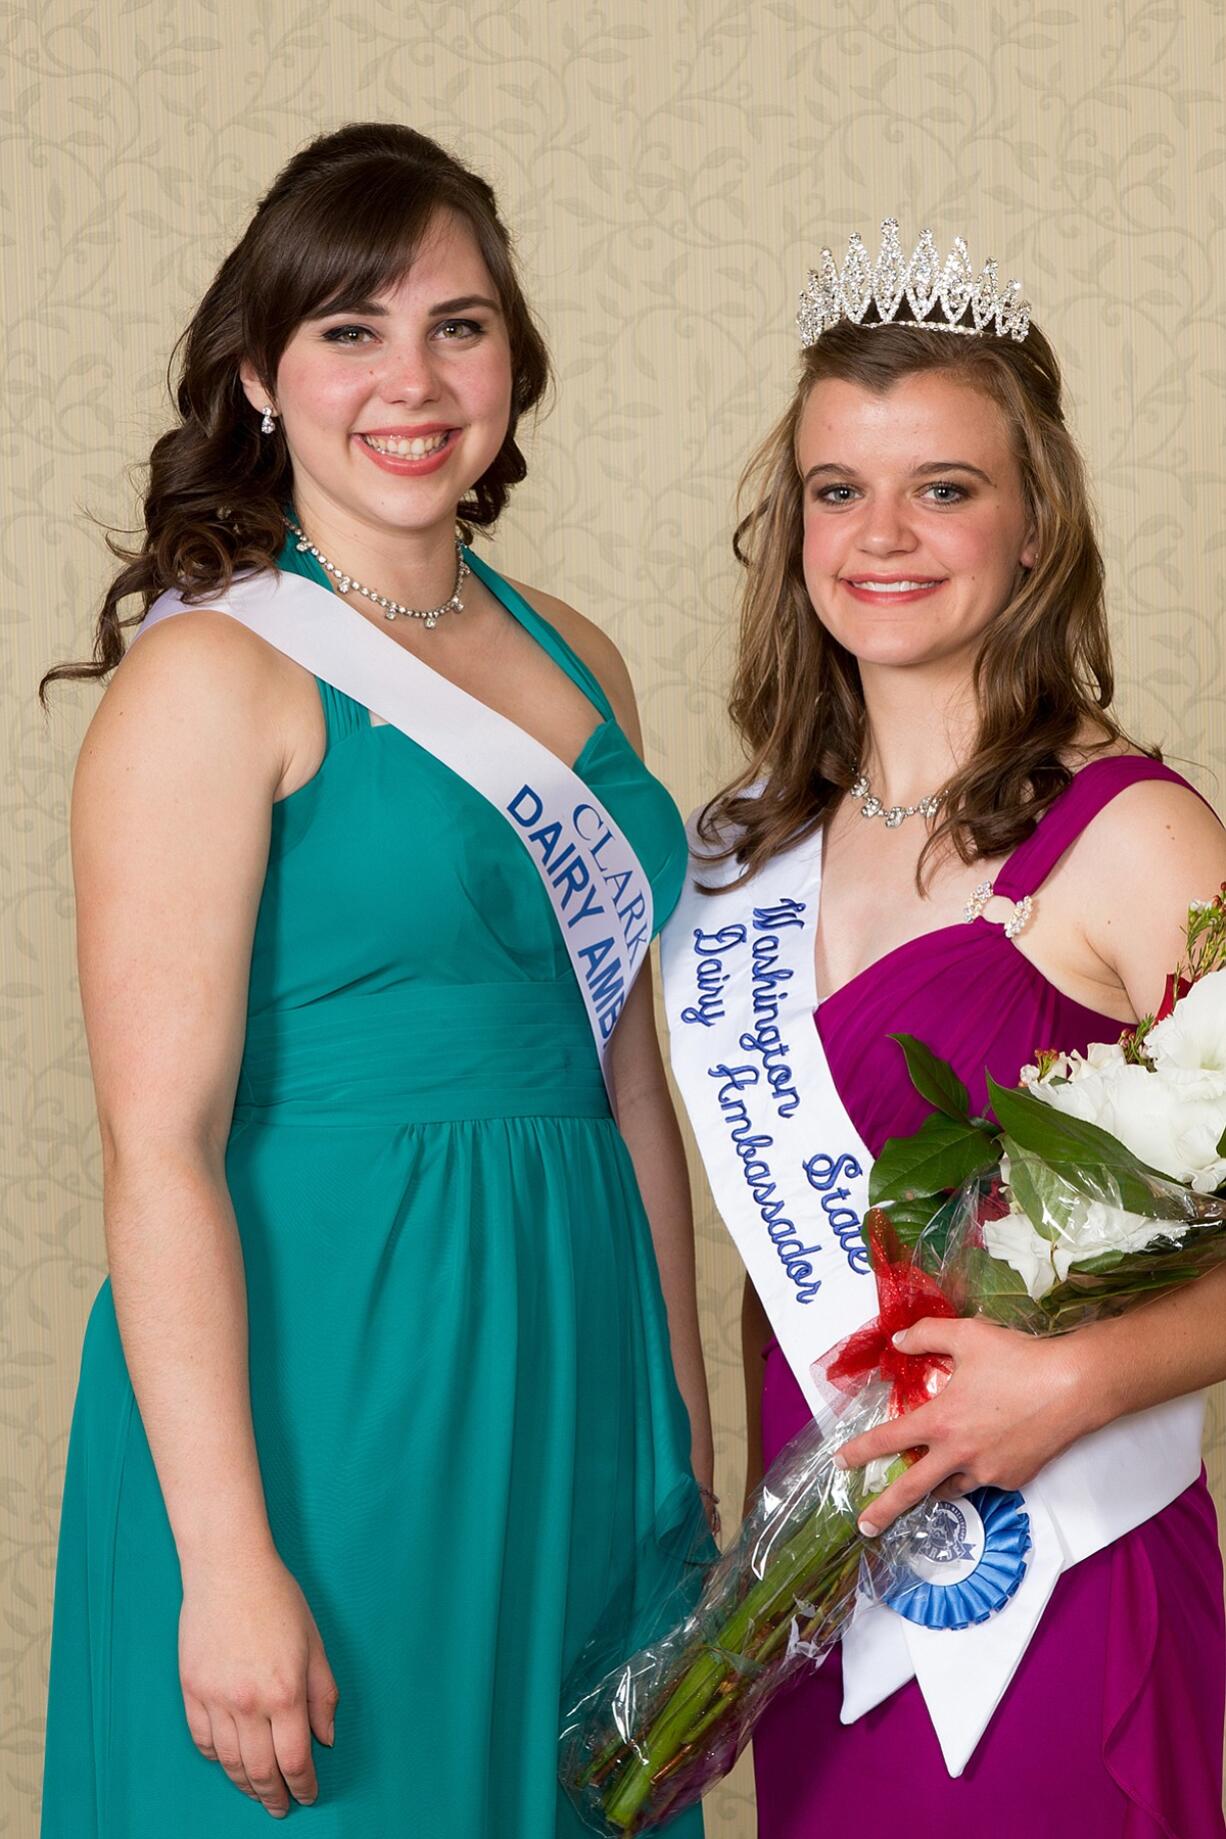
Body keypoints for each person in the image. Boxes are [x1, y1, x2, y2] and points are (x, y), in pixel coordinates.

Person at [39, 121, 713, 1838]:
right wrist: (226, 1556)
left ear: (512, 363)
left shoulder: (582, 657)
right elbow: (159, 1149)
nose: (410, 380)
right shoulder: (209, 681)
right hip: (327, 1384)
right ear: (261, 375)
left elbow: (628, 1083)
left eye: (458, 325)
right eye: (351, 331)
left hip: (572, 1358)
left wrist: (676, 1455)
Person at [694, 223, 1226, 1834]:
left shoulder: (1130, 835)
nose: (883, 537)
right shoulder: (746, 852)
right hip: (824, 1571)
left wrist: (1073, 1389)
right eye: (837, 490)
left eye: (942, 486)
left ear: (1030, 519)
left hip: (1064, 1565)